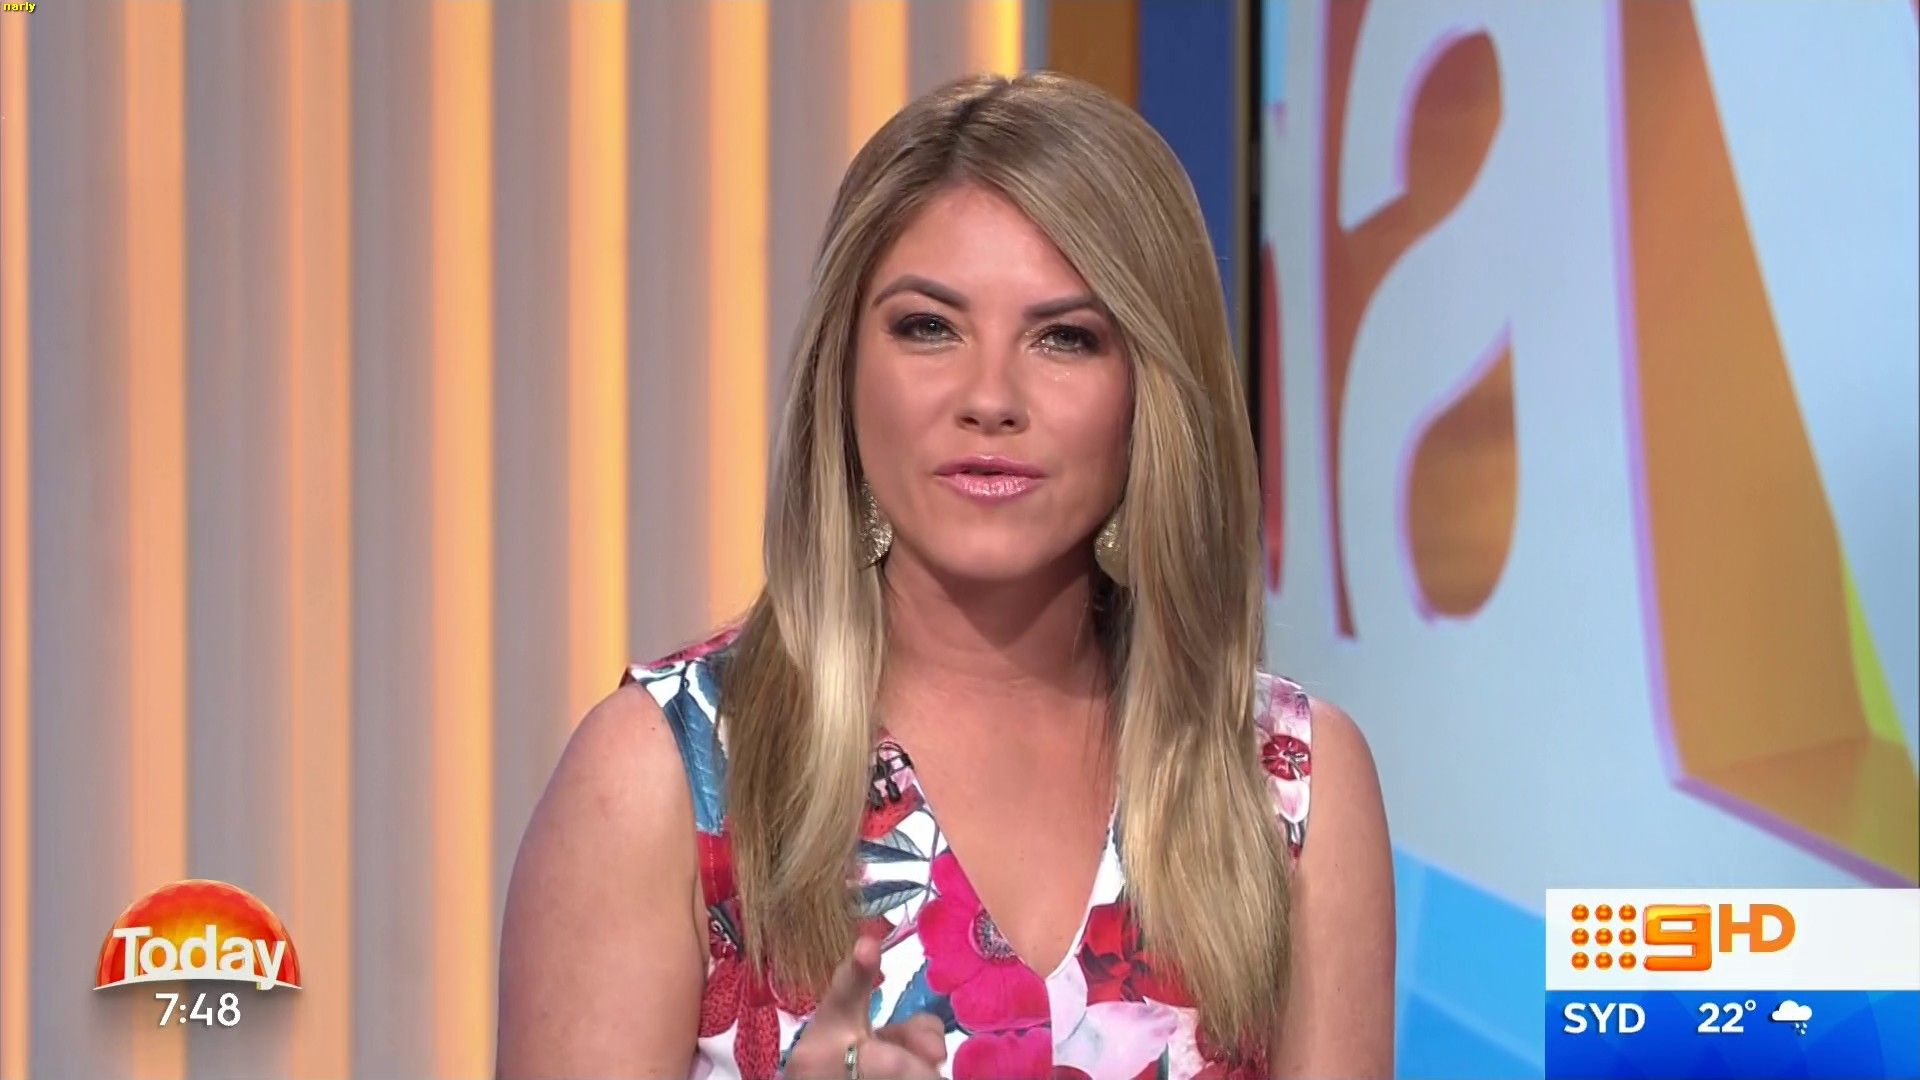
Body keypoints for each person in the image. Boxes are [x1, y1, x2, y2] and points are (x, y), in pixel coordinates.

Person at [496, 71, 1394, 1080]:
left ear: (1152, 392)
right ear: (844, 371)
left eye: (1065, 338)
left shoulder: (1291, 784)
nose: (990, 396)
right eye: (929, 327)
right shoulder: (663, 778)